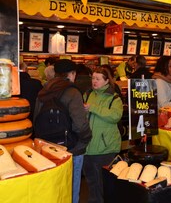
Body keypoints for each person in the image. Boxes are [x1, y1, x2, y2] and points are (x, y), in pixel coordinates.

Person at [33, 59, 92, 203]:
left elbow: (36, 119)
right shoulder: (72, 92)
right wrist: (85, 140)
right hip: (72, 148)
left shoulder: (43, 90)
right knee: (72, 187)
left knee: (53, 188)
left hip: (48, 148)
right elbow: (80, 125)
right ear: (72, 74)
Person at [83, 66, 123, 203]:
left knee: (103, 184)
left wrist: (93, 108)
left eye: (98, 79)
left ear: (106, 81)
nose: (94, 81)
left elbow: (115, 116)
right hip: (88, 146)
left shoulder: (114, 97)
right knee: (92, 183)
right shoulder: (88, 94)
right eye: (93, 78)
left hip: (105, 148)